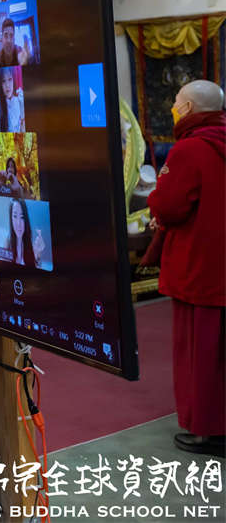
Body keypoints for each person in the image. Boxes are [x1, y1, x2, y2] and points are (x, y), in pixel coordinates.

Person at [144, 79, 225, 457]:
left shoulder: (189, 149)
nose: (173, 107)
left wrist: (156, 203)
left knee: (201, 353)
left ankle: (209, 430)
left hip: (200, 268)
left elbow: (169, 205)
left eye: (177, 101)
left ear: (189, 108)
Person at [9, 197, 47, 269]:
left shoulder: (31, 245)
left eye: (22, 217)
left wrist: (38, 255)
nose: (18, 223)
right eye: (15, 216)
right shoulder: (7, 244)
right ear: (11, 218)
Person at [0, 67, 25, 132]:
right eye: (3, 81)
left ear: (13, 80)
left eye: (10, 79)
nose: (7, 85)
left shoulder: (20, 100)